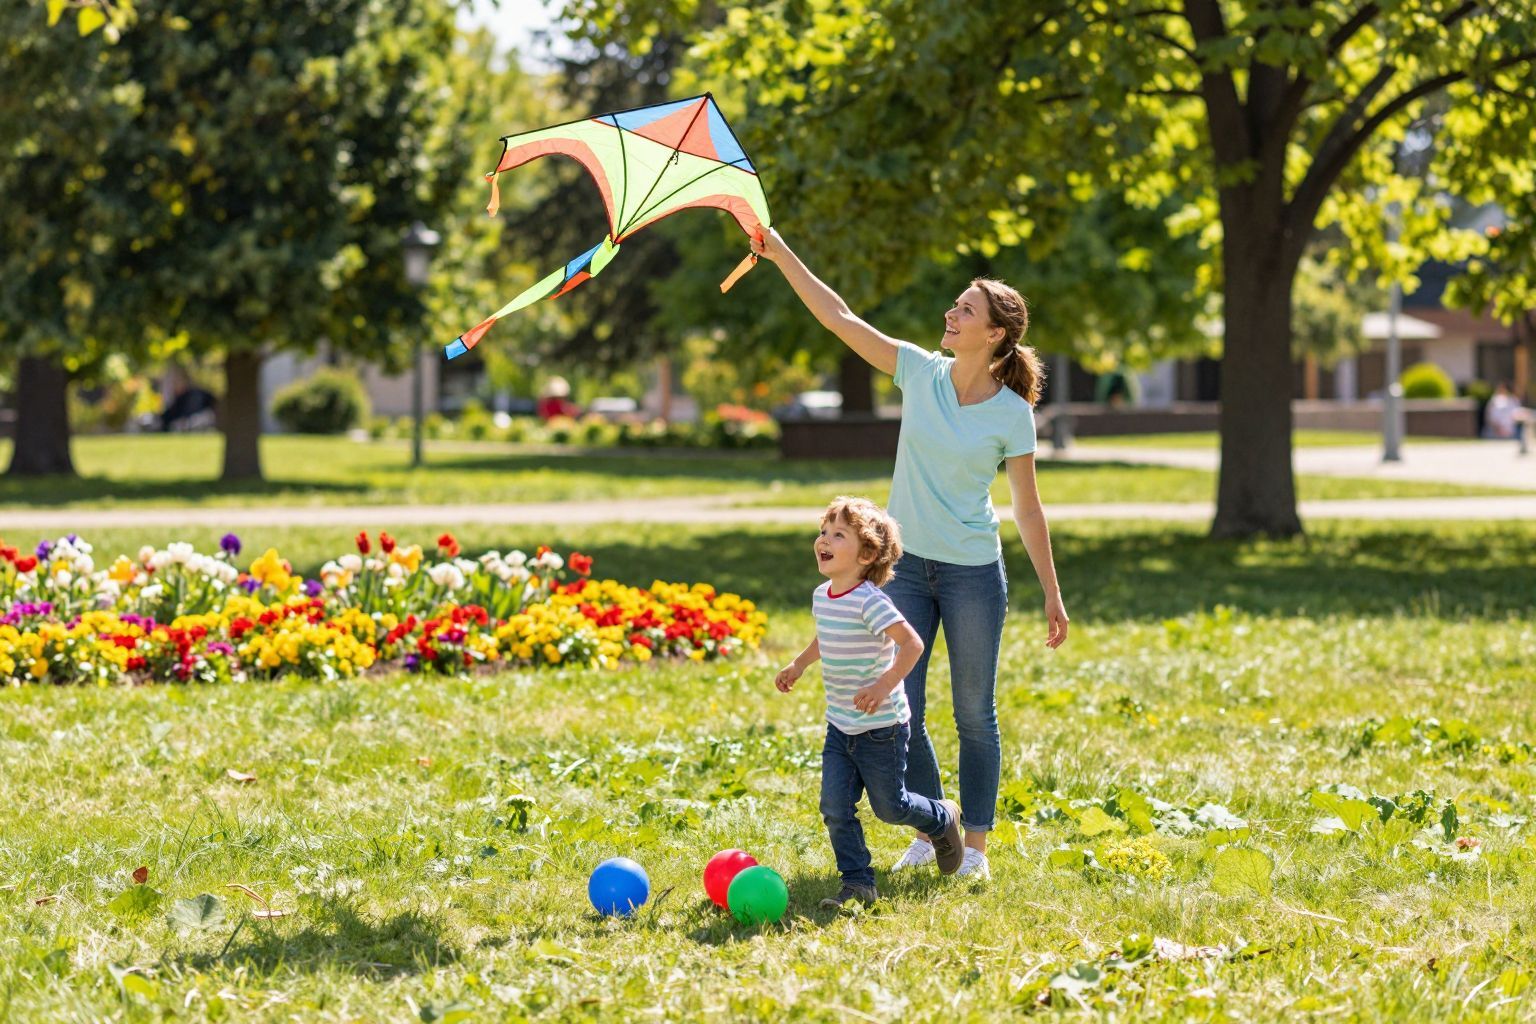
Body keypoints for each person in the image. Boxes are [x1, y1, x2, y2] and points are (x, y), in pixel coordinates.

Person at [753, 226, 1069, 881]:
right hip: (905, 571)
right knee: (908, 709)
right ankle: (937, 829)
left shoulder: (1012, 413)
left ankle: (975, 849)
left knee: (974, 713)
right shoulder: (920, 372)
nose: (949, 316)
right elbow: (840, 319)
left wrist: (1053, 593)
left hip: (974, 572)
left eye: (965, 311)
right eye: (953, 306)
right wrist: (781, 250)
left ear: (995, 336)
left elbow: (1028, 508)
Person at [775, 496, 965, 908]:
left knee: (891, 808)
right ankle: (858, 881)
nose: (823, 540)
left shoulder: (870, 601)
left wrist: (883, 686)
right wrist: (799, 664)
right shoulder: (823, 595)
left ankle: (941, 817)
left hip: (882, 728)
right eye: (823, 532)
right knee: (835, 807)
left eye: (837, 534)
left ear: (867, 554)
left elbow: (912, 644)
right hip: (840, 726)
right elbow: (826, 636)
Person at [1485, 382, 1531, 453]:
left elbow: (1517, 413)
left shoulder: (1513, 400)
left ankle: (1523, 447)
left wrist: (1525, 414)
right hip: (1498, 432)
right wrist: (1498, 429)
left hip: (1511, 431)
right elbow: (1491, 418)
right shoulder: (1495, 401)